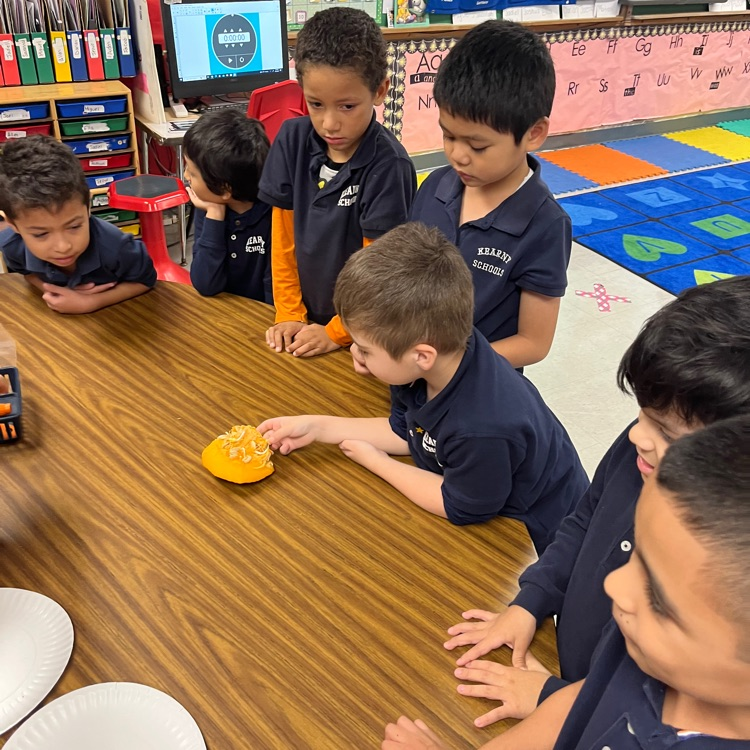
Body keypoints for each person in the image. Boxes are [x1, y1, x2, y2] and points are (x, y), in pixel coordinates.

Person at [439, 275, 750, 725]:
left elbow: (662, 703)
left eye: (666, 432)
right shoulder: (639, 451)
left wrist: (554, 698)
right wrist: (531, 600)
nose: (637, 435)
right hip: (565, 673)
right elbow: (584, 519)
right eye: (641, 412)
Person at [382, 415, 750, 749]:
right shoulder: (639, 647)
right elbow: (584, 700)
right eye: (637, 557)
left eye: (658, 597)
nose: (615, 587)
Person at [259, 223, 588, 554]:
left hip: (540, 539)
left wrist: (377, 462)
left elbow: (461, 505)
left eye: (365, 348)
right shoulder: (436, 358)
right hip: (484, 489)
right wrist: (317, 427)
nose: (355, 354)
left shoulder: (483, 426)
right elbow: (410, 433)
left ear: (421, 355)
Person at [259, 7, 416, 358]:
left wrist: (338, 332)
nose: (330, 124)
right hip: (299, 317)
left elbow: (377, 271)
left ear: (379, 91)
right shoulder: (291, 139)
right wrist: (288, 312)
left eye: (347, 106)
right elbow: (282, 240)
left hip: (361, 329)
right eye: (315, 104)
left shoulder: (389, 165)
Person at [411, 21, 568, 369]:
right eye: (448, 136)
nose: (458, 155)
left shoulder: (545, 225)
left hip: (480, 391)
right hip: (410, 375)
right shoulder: (434, 187)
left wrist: (452, 365)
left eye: (477, 145)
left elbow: (534, 342)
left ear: (534, 133)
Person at [0, 136, 156, 314]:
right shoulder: (11, 245)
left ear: (88, 206)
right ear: (12, 224)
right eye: (40, 234)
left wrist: (91, 302)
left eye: (74, 227)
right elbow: (26, 273)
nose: (63, 247)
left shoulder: (117, 247)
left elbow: (146, 280)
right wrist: (54, 291)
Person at [183, 109, 272, 302]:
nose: (185, 177)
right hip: (224, 313)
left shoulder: (275, 215)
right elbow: (206, 284)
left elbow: (275, 293)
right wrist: (215, 213)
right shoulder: (209, 205)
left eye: (192, 173)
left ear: (224, 190)